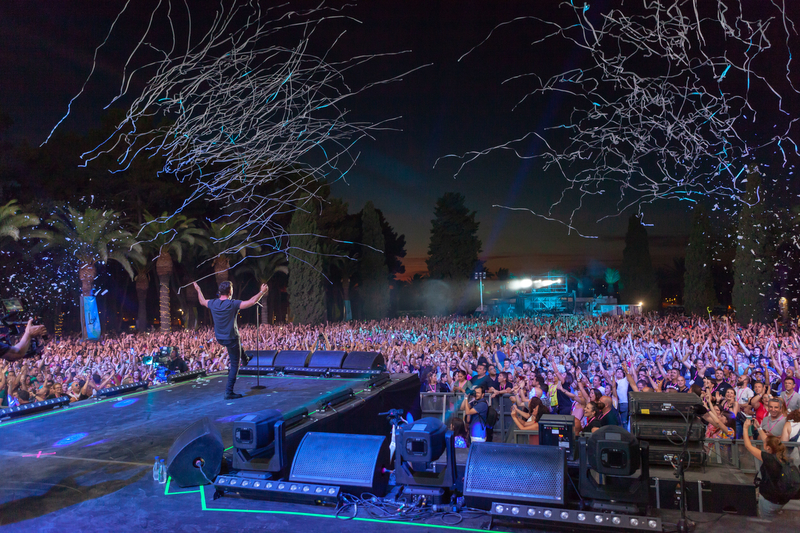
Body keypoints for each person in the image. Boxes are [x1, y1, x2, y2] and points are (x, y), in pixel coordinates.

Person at [194, 280, 268, 400]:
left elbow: (202, 301)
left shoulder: (213, 303)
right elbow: (252, 301)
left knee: (237, 346)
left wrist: (198, 289)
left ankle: (245, 358)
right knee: (235, 364)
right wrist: (262, 292)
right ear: (230, 292)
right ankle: (229, 392)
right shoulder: (232, 304)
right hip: (231, 338)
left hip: (220, 337)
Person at [743, 418, 799, 519]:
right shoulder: (783, 457)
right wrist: (759, 427)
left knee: (767, 523)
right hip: (782, 499)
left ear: (767, 448)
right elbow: (768, 441)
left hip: (770, 500)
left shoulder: (768, 459)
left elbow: (748, 446)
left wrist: (745, 428)